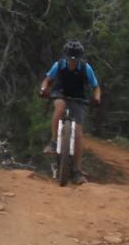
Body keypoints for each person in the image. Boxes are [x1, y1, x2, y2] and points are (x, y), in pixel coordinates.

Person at [39, 40, 102, 184]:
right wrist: (43, 89)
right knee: (60, 107)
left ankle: (77, 172)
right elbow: (47, 80)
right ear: (66, 58)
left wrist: (97, 98)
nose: (72, 63)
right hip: (60, 93)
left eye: (75, 60)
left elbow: (96, 87)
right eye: (70, 60)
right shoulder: (59, 65)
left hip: (78, 98)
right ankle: (54, 142)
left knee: (78, 134)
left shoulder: (86, 68)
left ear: (80, 59)